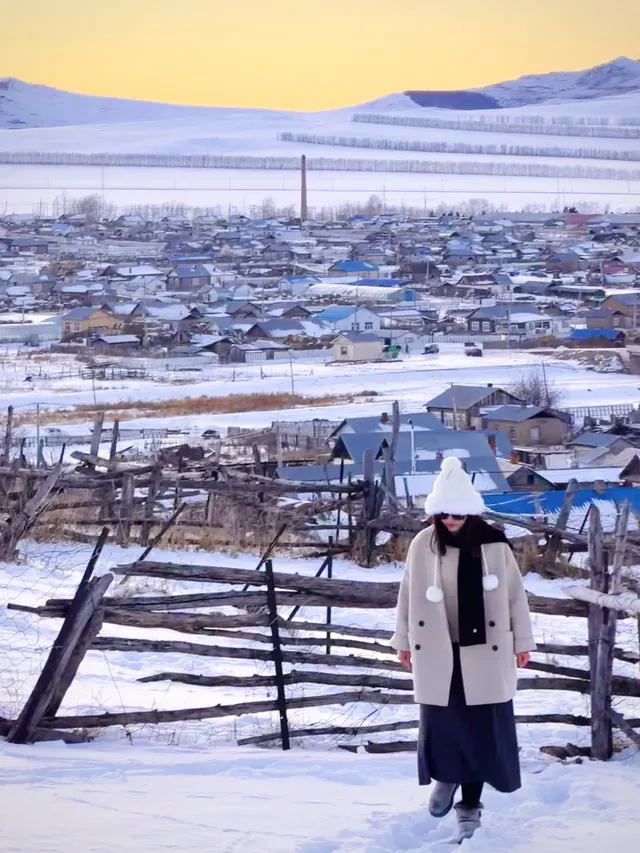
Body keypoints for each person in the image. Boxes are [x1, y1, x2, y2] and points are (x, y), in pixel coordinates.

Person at [390, 456, 536, 843]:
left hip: (484, 651)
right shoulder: (424, 543)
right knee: (441, 727)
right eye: (443, 515)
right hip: (437, 650)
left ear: (470, 513)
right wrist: (403, 641)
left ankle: (469, 808)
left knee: (481, 732)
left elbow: (514, 596)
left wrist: (522, 641)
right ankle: (446, 777)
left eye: (457, 515)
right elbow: (407, 594)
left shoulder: (493, 546)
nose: (450, 522)